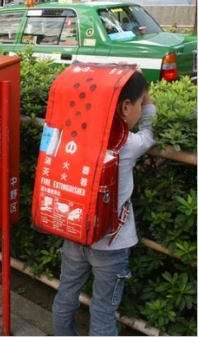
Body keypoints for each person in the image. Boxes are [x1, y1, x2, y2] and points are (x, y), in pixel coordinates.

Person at [51, 69, 157, 336]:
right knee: (102, 311)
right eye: (138, 103)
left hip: (74, 233)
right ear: (125, 106)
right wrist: (148, 100)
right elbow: (149, 133)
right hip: (112, 244)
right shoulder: (126, 144)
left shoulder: (71, 134)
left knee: (66, 296)